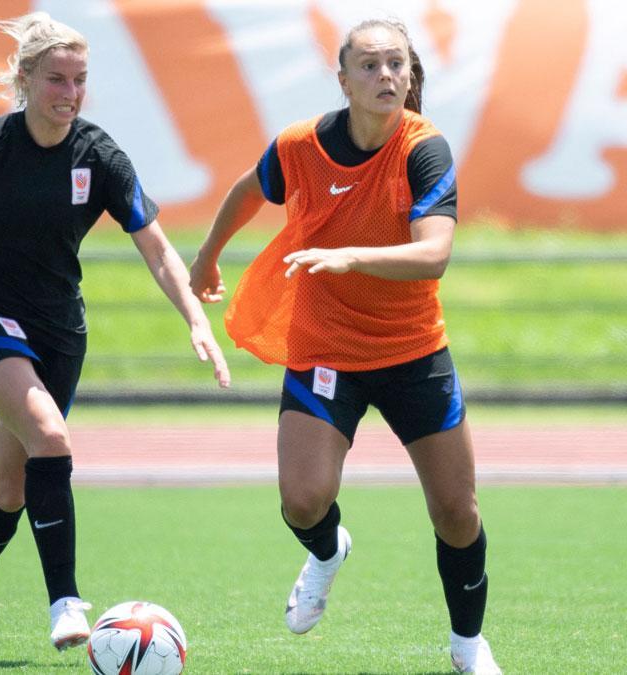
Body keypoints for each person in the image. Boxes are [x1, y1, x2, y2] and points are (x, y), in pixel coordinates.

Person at [0, 12, 230, 655]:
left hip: (59, 334)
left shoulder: (99, 156)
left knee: (10, 489)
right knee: (49, 433)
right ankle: (66, 602)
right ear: (24, 79)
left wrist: (195, 317)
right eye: (56, 79)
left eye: (79, 80)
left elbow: (156, 248)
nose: (69, 93)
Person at [189, 18, 500, 674]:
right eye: (370, 65)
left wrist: (350, 255)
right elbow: (249, 190)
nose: (386, 75)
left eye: (397, 64)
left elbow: (434, 254)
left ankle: (468, 646)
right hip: (326, 349)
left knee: (456, 511)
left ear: (411, 76)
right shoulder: (303, 144)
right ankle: (328, 550)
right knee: (303, 499)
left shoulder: (425, 148)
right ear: (344, 80)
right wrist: (206, 259)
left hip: (412, 350)